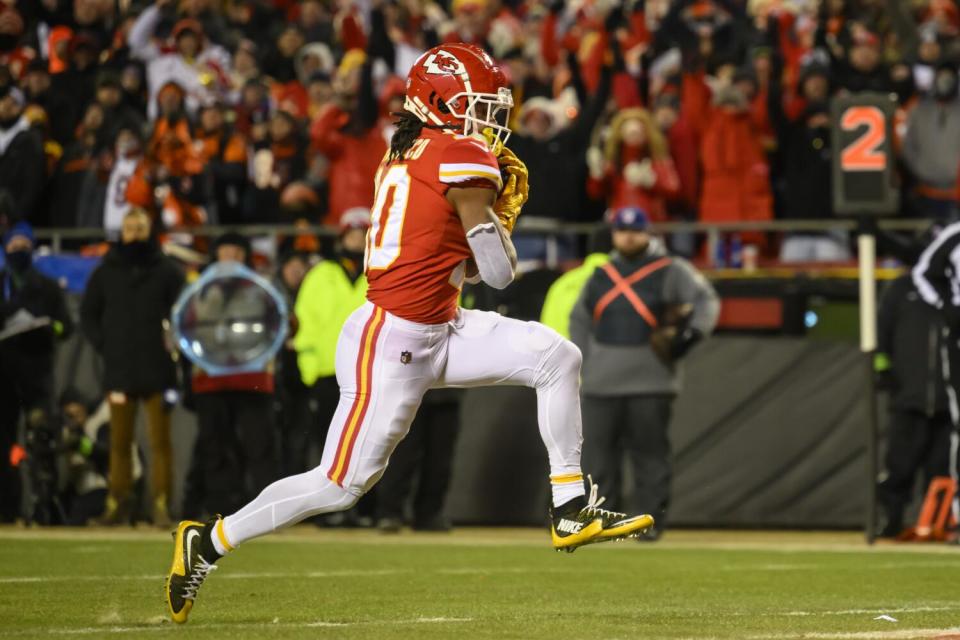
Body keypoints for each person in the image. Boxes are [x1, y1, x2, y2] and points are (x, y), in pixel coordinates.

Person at [165, 43, 653, 624]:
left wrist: (486, 223)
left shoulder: (410, 150)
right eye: (478, 106)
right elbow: (497, 275)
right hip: (391, 341)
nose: (490, 121)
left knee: (556, 356)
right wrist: (499, 220)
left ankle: (569, 503)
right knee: (339, 485)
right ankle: (211, 539)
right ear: (441, 102)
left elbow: (454, 262)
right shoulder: (459, 155)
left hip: (439, 326)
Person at [570, 207, 720, 540]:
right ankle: (600, 523)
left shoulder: (670, 269)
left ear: (648, 233)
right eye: (622, 231)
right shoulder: (600, 273)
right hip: (600, 380)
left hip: (651, 379)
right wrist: (581, 364)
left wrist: (692, 334)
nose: (628, 237)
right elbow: (579, 320)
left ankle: (649, 525)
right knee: (599, 459)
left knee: (649, 456)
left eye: (635, 230)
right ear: (613, 234)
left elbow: (706, 300)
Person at [80, 209, 184, 526]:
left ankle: (161, 506)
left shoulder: (167, 271)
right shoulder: (105, 272)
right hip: (120, 371)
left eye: (139, 227)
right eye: (129, 228)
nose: (134, 234)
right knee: (119, 443)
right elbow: (88, 315)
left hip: (158, 371)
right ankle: (117, 505)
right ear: (120, 231)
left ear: (149, 229)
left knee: (160, 444)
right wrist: (106, 346)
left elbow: (181, 317)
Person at [182, 233, 279, 519]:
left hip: (253, 378)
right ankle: (219, 510)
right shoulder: (197, 288)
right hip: (210, 379)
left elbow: (282, 319)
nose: (232, 257)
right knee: (214, 447)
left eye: (238, 251)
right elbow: (183, 326)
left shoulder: (261, 286)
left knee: (259, 445)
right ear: (216, 254)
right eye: (226, 251)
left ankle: (267, 511)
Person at [0, 222, 73, 523]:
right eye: (14, 245)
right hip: (4, 376)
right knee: (5, 445)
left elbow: (65, 326)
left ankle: (45, 509)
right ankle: (8, 508)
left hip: (36, 373)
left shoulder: (47, 287)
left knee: (41, 441)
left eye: (24, 245)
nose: (19, 250)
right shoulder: (2, 284)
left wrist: (46, 326)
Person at [875, 274, 957, 538]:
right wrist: (884, 370)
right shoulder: (901, 288)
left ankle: (939, 523)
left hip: (948, 400)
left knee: (942, 468)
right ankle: (890, 520)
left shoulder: (954, 288)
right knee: (899, 466)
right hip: (908, 396)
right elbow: (881, 332)